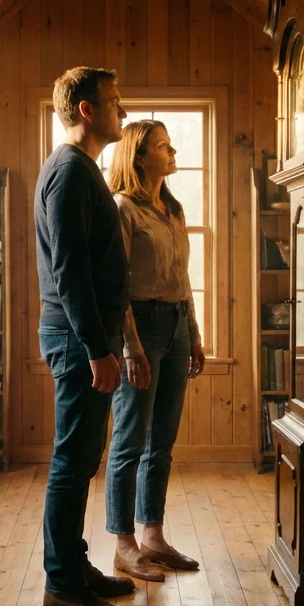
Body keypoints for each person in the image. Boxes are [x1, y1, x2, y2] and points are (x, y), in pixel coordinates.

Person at [34, 67, 135, 606]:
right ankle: (63, 587)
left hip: (86, 337)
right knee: (71, 465)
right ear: (88, 110)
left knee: (81, 460)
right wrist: (98, 348)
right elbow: (70, 272)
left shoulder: (80, 169)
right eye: (114, 102)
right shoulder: (70, 173)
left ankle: (75, 565)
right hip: (79, 340)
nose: (122, 109)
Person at [102, 120, 204, 582]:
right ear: (140, 158)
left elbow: (182, 280)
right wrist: (130, 348)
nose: (173, 150)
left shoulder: (174, 208)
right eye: (164, 146)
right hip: (141, 327)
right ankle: (123, 544)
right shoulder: (124, 208)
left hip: (177, 324)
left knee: (161, 441)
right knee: (129, 439)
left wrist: (196, 336)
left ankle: (153, 536)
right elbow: (117, 287)